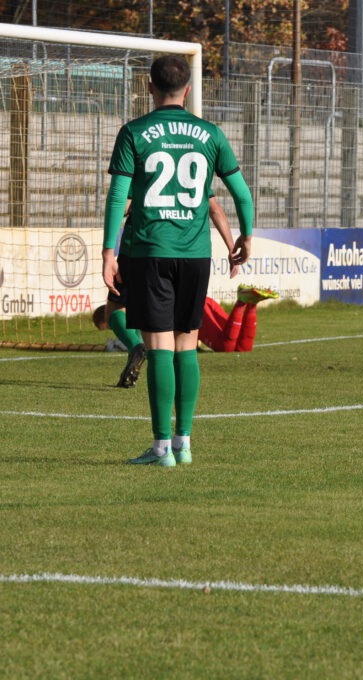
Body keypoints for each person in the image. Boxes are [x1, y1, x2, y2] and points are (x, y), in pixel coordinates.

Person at [102, 54, 254, 468]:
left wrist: (108, 253)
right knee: (187, 343)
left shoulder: (134, 131)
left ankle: (159, 450)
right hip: (194, 254)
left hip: (150, 251)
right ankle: (184, 443)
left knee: (158, 346)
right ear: (188, 89)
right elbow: (241, 194)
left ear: (149, 87)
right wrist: (246, 235)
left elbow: (119, 198)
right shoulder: (210, 133)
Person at [99, 195, 239, 389]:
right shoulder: (194, 165)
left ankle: (136, 346)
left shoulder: (142, 166)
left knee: (115, 309)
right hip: (189, 251)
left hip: (140, 249)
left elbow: (123, 206)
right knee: (179, 332)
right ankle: (182, 415)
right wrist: (232, 247)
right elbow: (215, 209)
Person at [94, 283, 277, 358]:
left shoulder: (131, 317)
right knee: (242, 347)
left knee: (226, 347)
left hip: (195, 310)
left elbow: (143, 340)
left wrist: (119, 343)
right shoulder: (138, 307)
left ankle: (241, 302)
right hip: (203, 303)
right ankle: (251, 304)